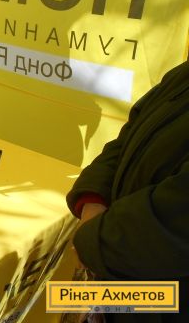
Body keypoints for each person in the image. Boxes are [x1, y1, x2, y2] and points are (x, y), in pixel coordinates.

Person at [66, 59, 189, 322]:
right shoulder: (182, 75)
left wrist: (93, 240)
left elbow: (176, 221)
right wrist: (93, 200)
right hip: (120, 278)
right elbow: (125, 139)